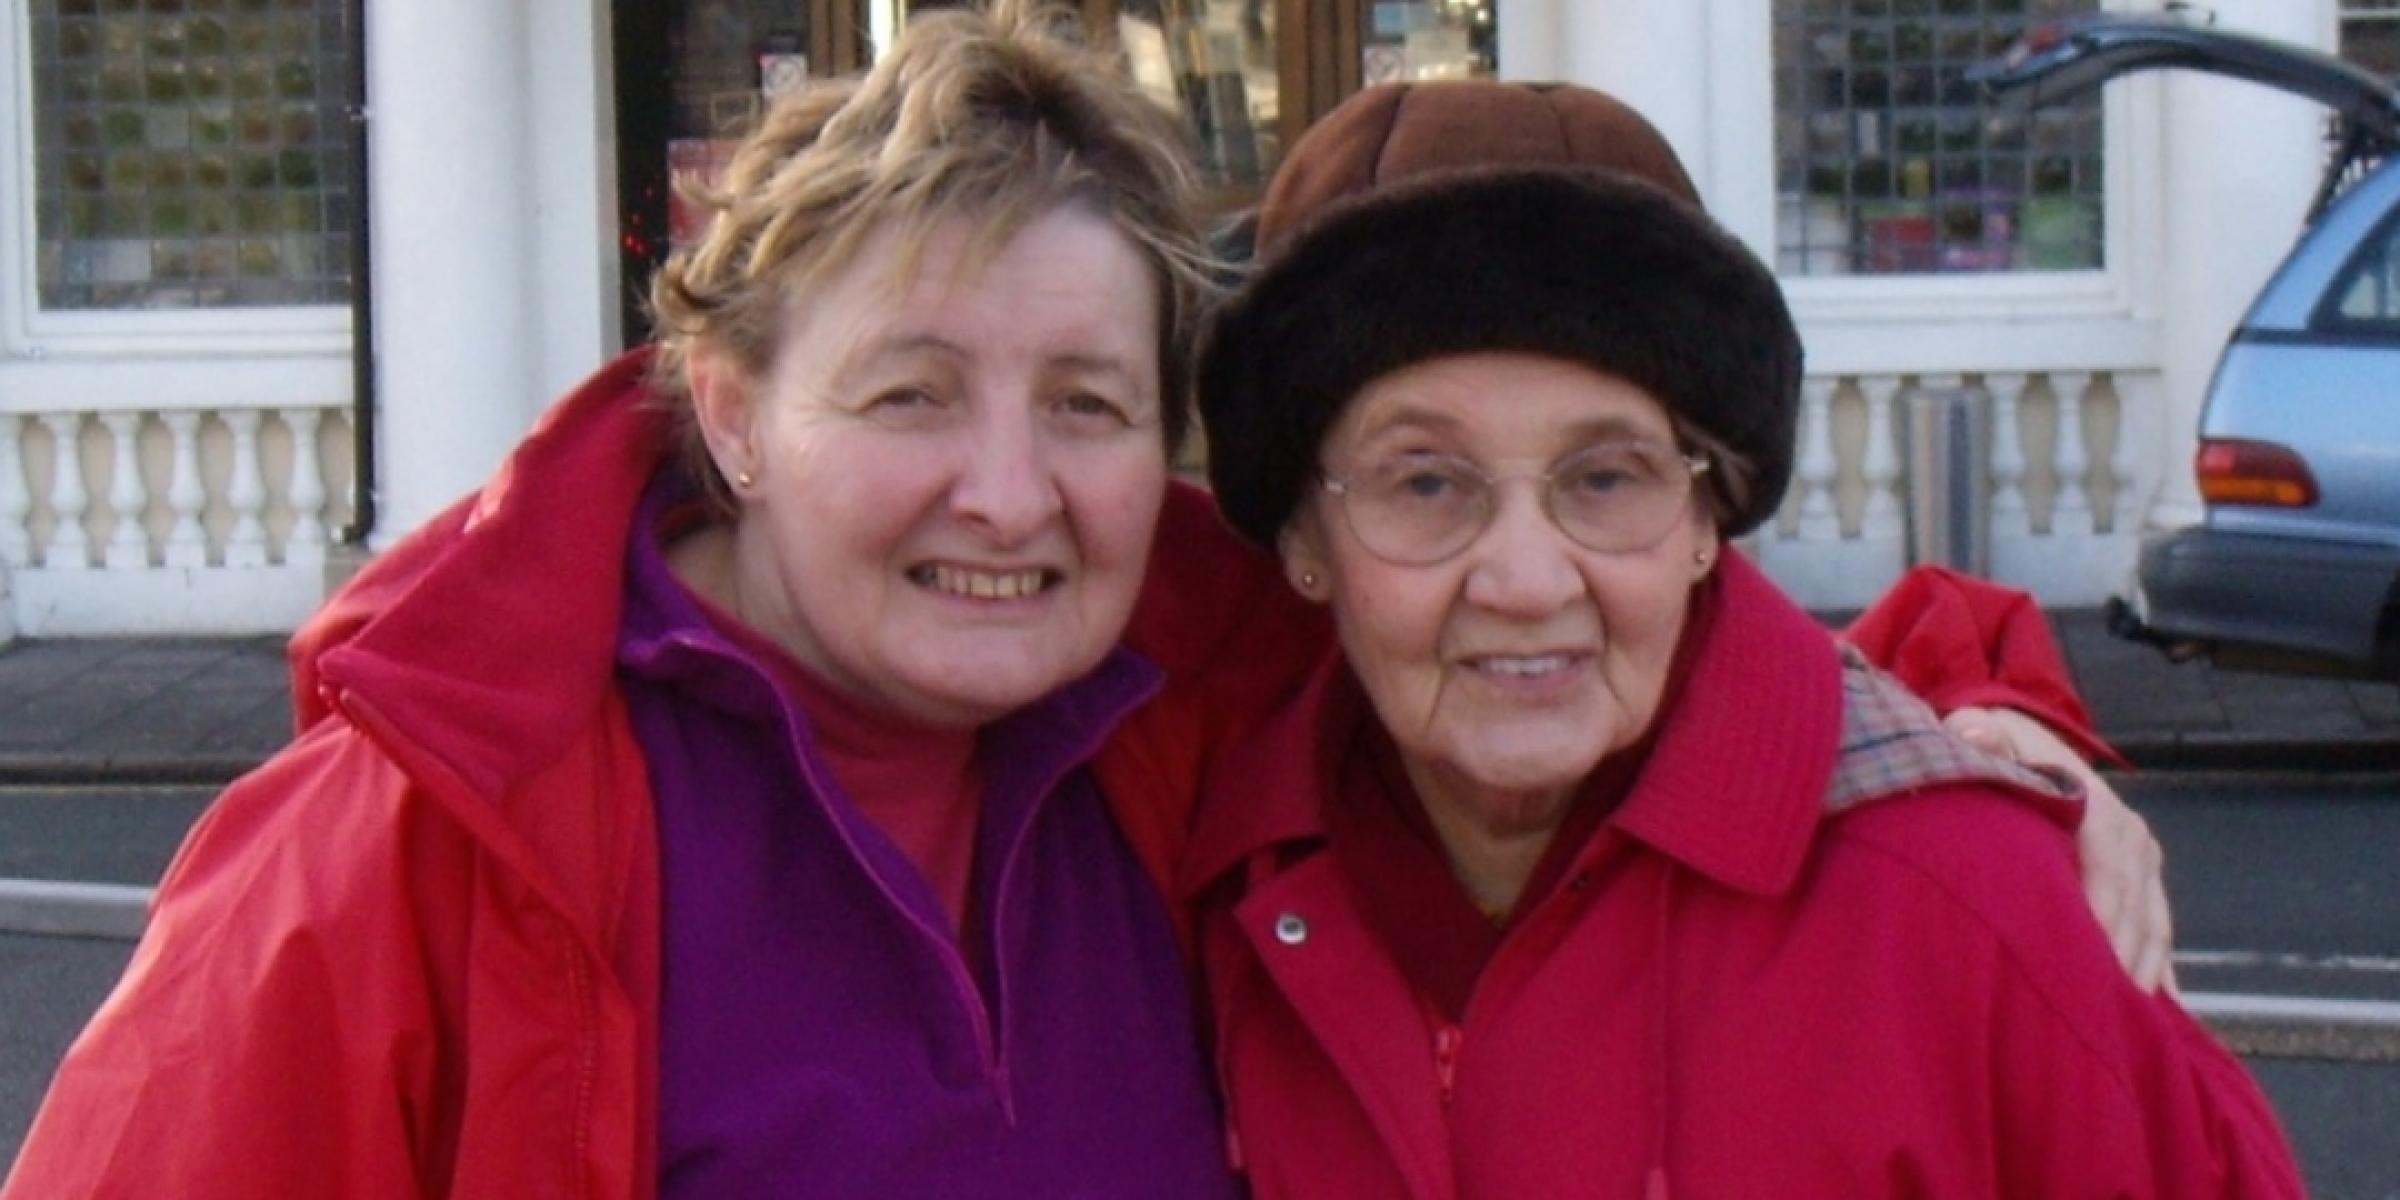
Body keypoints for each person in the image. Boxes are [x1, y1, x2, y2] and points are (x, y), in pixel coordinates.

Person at [3, 7, 2164, 1198]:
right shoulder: (418, 846)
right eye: (913, 394)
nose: (1012, 495)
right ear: (733, 407)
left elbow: (1589, 604)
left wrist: (1996, 716)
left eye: (1089, 402)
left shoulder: (1180, 702)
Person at [1186, 79, 2300, 1197]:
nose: (1526, 581)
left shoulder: (1976, 907)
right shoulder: (1202, 875)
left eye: (1608, 477)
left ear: (1708, 518)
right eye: (1424, 481)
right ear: (1302, 537)